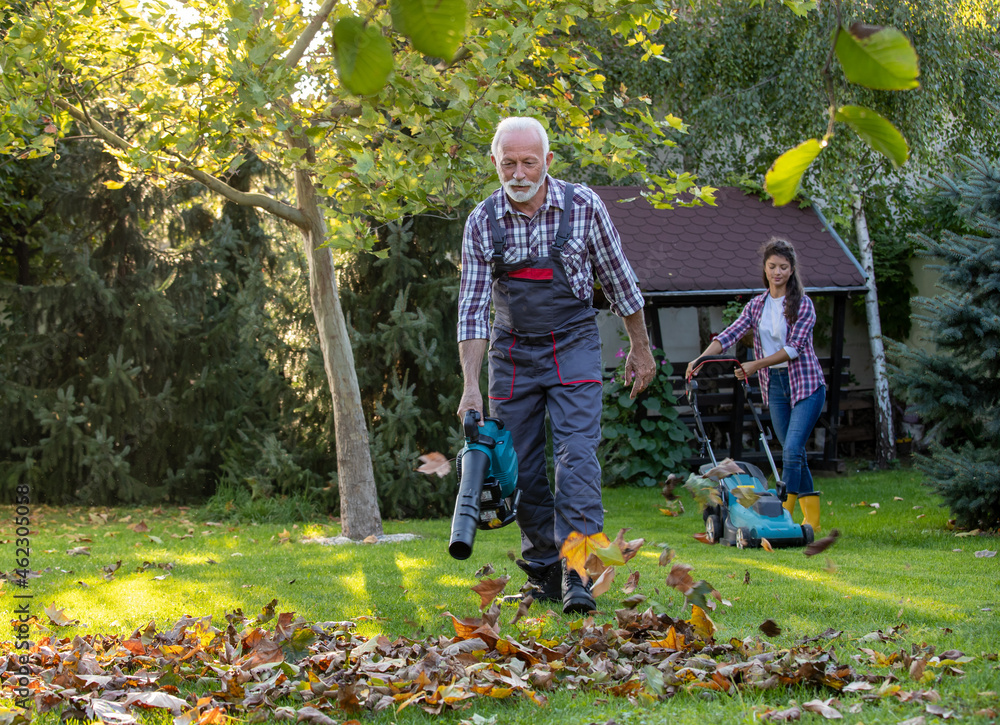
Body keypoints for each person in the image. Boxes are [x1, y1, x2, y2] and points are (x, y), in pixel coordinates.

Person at [457, 117, 655, 614]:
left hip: (573, 344)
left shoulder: (583, 207)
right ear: (495, 164)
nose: (518, 173)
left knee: (578, 457)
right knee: (518, 467)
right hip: (513, 352)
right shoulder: (483, 221)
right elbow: (473, 309)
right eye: (509, 163)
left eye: (528, 162)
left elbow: (620, 282)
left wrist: (641, 348)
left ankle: (578, 572)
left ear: (547, 162)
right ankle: (544, 570)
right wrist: (470, 387)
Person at [685, 237, 825, 532]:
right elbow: (728, 336)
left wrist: (755, 364)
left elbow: (794, 348)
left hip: (806, 385)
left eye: (783, 267)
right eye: (772, 266)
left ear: (791, 270)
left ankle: (781, 514)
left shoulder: (803, 305)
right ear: (765, 268)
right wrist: (699, 359)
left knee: (791, 451)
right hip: (775, 385)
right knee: (793, 452)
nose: (777, 272)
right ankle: (811, 520)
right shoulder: (756, 305)